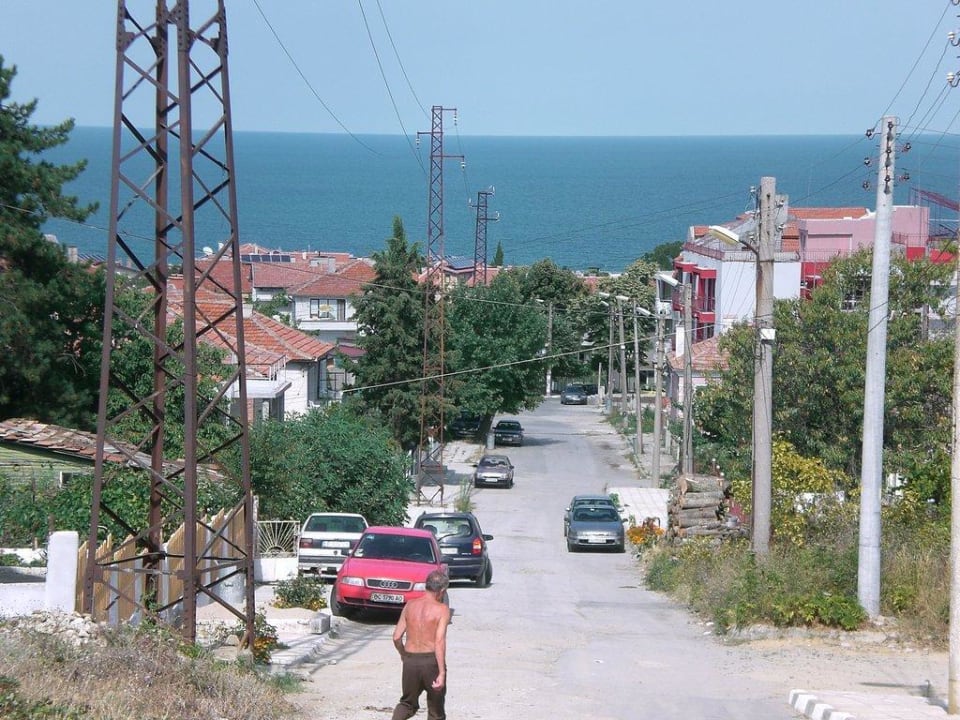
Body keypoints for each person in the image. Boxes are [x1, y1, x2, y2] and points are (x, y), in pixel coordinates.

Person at [391, 569, 451, 720]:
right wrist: (442, 672)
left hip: (411, 660)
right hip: (431, 661)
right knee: (435, 710)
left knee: (407, 704)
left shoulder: (410, 605)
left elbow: (396, 637)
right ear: (442, 591)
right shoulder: (442, 610)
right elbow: (439, 642)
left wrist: (404, 655)